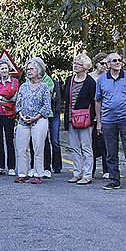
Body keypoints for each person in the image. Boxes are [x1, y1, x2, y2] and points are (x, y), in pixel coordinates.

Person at [95, 53, 126, 190]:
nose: (117, 62)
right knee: (111, 152)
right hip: (108, 120)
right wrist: (99, 122)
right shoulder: (101, 80)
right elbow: (97, 101)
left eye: (119, 60)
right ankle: (114, 180)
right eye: (114, 61)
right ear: (108, 64)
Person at [14, 58, 51, 184]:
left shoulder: (44, 86)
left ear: (38, 70)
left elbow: (46, 106)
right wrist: (21, 116)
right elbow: (18, 104)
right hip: (23, 120)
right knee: (21, 148)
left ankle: (37, 174)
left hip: (39, 120)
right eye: (27, 69)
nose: (29, 71)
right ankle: (23, 174)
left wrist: (36, 117)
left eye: (32, 69)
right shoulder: (23, 86)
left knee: (38, 147)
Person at [64, 54, 96, 185]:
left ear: (85, 67)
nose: (75, 65)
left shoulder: (90, 82)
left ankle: (87, 174)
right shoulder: (69, 80)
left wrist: (95, 120)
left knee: (86, 147)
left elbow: (94, 101)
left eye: (78, 64)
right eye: (74, 63)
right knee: (74, 147)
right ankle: (76, 173)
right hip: (72, 118)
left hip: (85, 119)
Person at [0, 60, 18, 176]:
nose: (4, 71)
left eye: (6, 68)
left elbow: (14, 99)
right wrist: (4, 99)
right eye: (2, 69)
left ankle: (11, 167)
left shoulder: (14, 82)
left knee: (9, 140)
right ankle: (0, 166)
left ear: (9, 69)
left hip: (8, 114)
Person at [37, 63, 62, 178]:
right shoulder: (31, 83)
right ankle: (44, 165)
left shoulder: (54, 83)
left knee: (55, 141)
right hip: (43, 114)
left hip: (54, 114)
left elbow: (56, 99)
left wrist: (47, 99)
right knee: (44, 140)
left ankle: (57, 165)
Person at [90, 53, 109, 179]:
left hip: (105, 114)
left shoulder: (108, 77)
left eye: (106, 64)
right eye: (102, 63)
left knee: (105, 143)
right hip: (91, 114)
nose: (104, 66)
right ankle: (90, 170)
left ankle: (106, 170)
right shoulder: (90, 78)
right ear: (96, 63)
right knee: (91, 143)